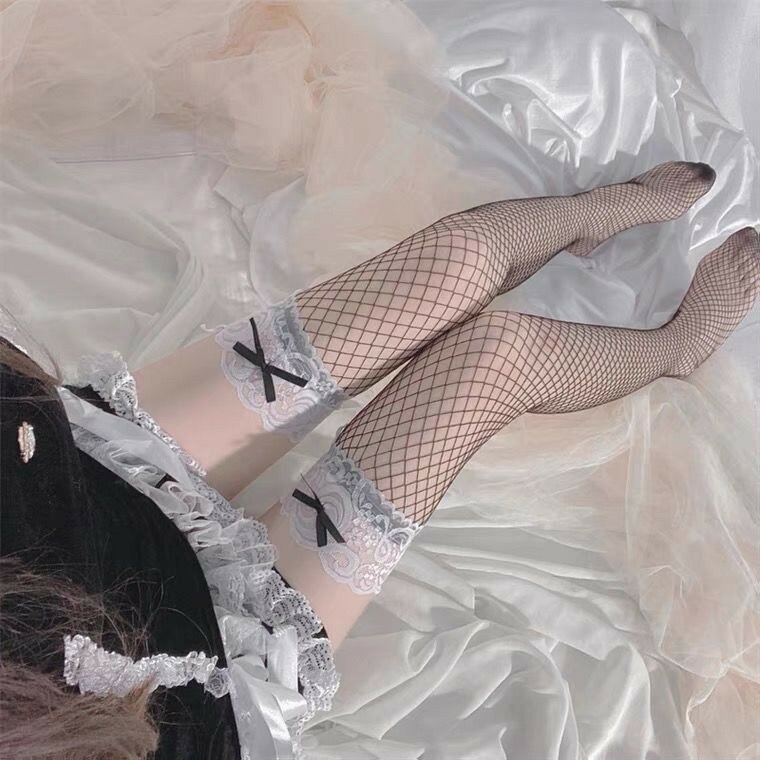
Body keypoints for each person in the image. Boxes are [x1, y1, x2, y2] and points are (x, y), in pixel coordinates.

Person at [2, 159, 758, 759]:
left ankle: (586, 216)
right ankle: (675, 350)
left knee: (456, 264)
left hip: (84, 493)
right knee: (496, 358)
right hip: (204, 670)